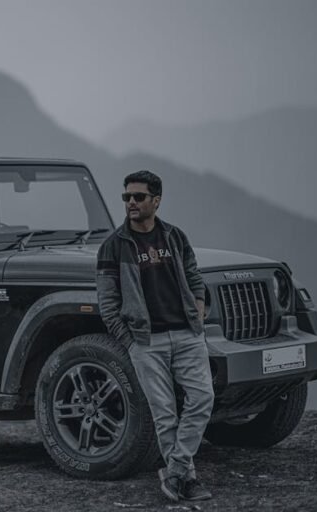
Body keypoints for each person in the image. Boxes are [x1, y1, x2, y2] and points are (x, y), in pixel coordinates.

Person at [96, 170, 214, 502]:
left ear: (156, 201)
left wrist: (198, 311)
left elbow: (194, 277)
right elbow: (108, 303)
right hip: (146, 342)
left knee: (202, 399)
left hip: (187, 335)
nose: (131, 202)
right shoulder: (113, 247)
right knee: (165, 415)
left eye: (139, 196)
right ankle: (186, 480)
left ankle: (174, 471)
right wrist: (129, 341)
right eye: (126, 197)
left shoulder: (175, 237)